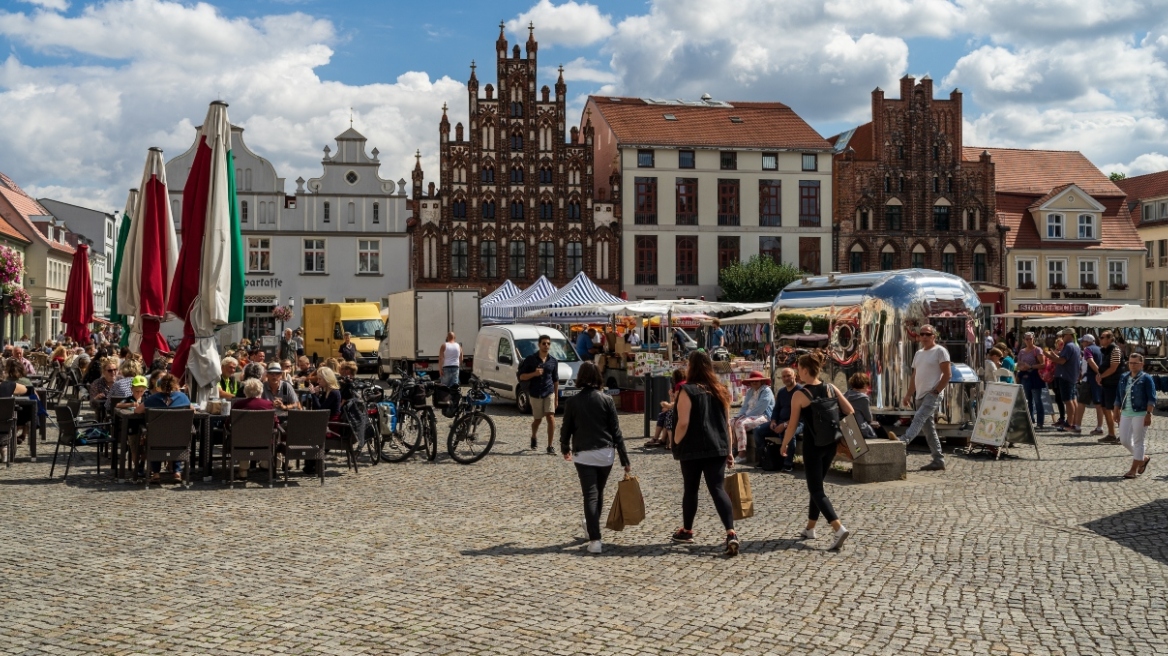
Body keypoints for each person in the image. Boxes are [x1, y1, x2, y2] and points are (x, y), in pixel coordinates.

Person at [670, 350, 739, 556]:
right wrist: (728, 449)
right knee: (717, 488)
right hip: (716, 445)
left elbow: (683, 422)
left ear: (691, 367)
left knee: (691, 489)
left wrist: (675, 441)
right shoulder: (720, 390)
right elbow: (727, 424)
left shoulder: (687, 390)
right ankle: (731, 532)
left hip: (692, 447)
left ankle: (688, 530)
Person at [782, 352, 854, 551]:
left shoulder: (800, 394)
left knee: (816, 489)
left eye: (798, 370)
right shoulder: (831, 387)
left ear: (805, 370)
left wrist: (784, 445)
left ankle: (838, 528)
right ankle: (810, 528)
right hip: (831, 443)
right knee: (817, 486)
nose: (797, 374)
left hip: (813, 446)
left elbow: (792, 425)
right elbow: (849, 410)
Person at [560, 362, 631, 555]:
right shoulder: (607, 400)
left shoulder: (572, 402)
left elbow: (566, 429)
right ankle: (591, 528)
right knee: (598, 493)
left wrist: (564, 447)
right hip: (605, 453)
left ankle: (595, 538)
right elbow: (616, 432)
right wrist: (625, 459)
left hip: (583, 453)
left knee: (590, 495)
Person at [901, 324, 950, 471]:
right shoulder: (919, 353)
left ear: (934, 336)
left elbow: (947, 375)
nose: (924, 337)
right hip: (920, 395)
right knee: (928, 429)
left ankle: (903, 441)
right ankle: (938, 460)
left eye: (928, 334)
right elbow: (914, 376)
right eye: (922, 334)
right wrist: (909, 394)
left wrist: (936, 391)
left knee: (919, 418)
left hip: (932, 394)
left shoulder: (940, 351)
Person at [135, 373, 191, 483]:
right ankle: (177, 472)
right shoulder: (183, 397)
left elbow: (137, 411)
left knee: (154, 436)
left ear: (160, 386)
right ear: (175, 385)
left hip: (157, 439)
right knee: (176, 436)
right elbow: (192, 410)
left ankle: (156, 473)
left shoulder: (153, 399)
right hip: (178, 438)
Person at [1115, 352, 1155, 479]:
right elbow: (1118, 395)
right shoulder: (1123, 377)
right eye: (1130, 363)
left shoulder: (1146, 378)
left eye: (1135, 363)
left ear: (1141, 364)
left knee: (1139, 441)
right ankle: (1143, 458)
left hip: (1141, 413)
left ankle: (1133, 470)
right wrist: (1116, 411)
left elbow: (1152, 398)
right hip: (1126, 412)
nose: (1132, 365)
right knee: (1124, 440)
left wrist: (1149, 414)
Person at [754, 367, 802, 472]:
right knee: (758, 431)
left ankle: (788, 463)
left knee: (788, 432)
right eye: (784, 376)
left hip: (797, 423)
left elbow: (801, 415)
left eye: (788, 375)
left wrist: (785, 425)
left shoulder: (800, 391)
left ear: (794, 376)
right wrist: (773, 421)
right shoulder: (781, 392)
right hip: (780, 422)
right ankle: (764, 459)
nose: (786, 378)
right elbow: (776, 409)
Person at [518, 334, 559, 454]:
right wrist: (534, 374)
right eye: (544, 343)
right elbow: (522, 376)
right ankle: (534, 436)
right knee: (537, 420)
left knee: (550, 417)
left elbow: (555, 380)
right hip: (535, 393)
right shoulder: (531, 360)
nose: (546, 346)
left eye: (548, 343)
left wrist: (556, 398)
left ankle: (550, 446)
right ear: (539, 345)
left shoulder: (553, 361)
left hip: (549, 392)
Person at [304, 366, 342, 476]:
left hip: (332, 424)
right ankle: (313, 463)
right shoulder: (326, 391)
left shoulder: (334, 392)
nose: (318, 381)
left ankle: (313, 463)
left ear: (327, 379)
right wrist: (317, 395)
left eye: (320, 379)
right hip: (325, 421)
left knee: (311, 435)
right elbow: (317, 408)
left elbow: (321, 410)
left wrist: (313, 395)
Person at [731, 371, 774, 464]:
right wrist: (738, 416)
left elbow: (760, 408)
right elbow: (744, 406)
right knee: (731, 422)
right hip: (749, 415)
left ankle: (742, 453)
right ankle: (733, 447)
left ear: (761, 381)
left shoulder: (766, 390)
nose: (755, 383)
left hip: (763, 416)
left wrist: (743, 417)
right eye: (752, 381)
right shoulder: (750, 391)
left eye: (757, 381)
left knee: (740, 423)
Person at [1048, 328, 1082, 434]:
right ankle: (1075, 422)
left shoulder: (1068, 346)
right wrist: (1054, 356)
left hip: (1066, 376)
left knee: (1068, 400)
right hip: (1072, 376)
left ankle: (1070, 422)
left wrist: (1049, 356)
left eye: (1063, 336)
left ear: (1068, 335)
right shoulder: (1076, 346)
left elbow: (1062, 361)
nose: (1062, 338)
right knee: (1072, 399)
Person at [1096, 330, 1124, 443]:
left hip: (1114, 384)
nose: (1100, 339)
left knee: (1115, 409)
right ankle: (1111, 434)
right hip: (1107, 384)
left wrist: (1101, 376)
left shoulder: (1115, 350)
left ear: (1109, 339)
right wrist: (1099, 376)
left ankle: (1123, 435)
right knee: (1105, 408)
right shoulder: (1106, 350)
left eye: (1102, 337)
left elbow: (1113, 367)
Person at [648, 368, 686, 447]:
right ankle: (662, 439)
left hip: (680, 409)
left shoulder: (679, 386)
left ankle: (668, 441)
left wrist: (667, 406)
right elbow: (675, 401)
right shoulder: (683, 384)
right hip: (678, 407)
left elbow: (676, 402)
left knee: (668, 415)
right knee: (663, 414)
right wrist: (671, 396)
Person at [1077, 335, 1104, 435]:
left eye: (1083, 342)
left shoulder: (1087, 349)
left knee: (1081, 402)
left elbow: (1090, 361)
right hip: (1098, 380)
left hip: (1088, 379)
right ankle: (1100, 427)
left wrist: (1099, 372)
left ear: (1087, 342)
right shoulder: (1101, 350)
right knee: (1098, 404)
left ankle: (1077, 425)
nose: (1082, 343)